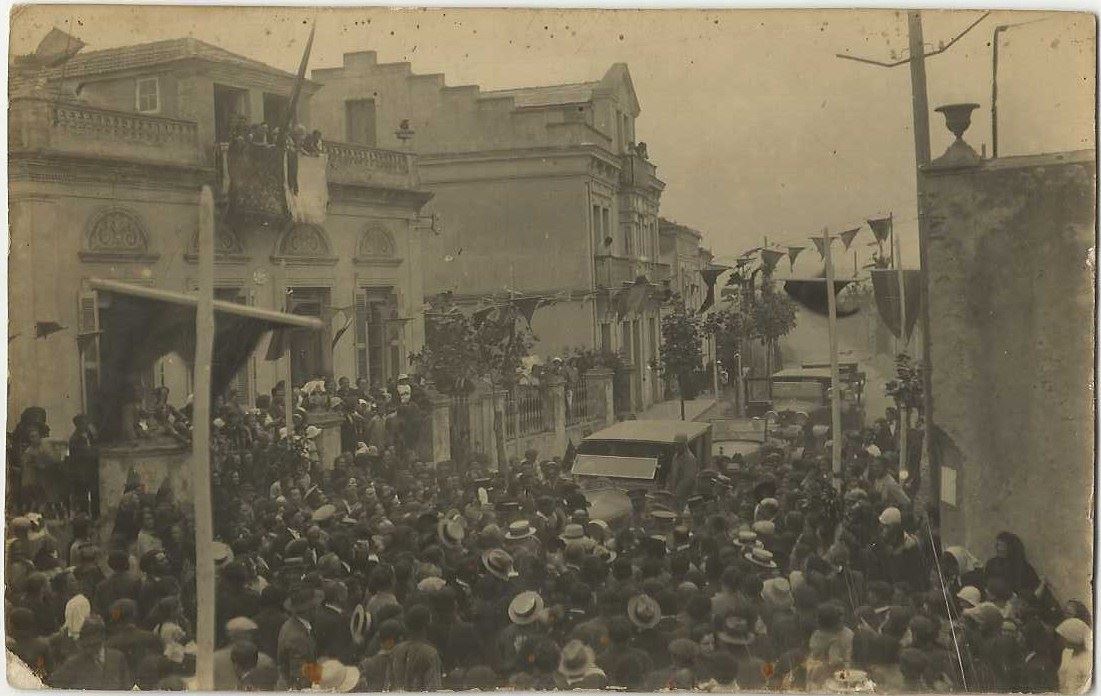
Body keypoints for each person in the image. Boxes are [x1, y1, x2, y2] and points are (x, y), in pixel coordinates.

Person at [50, 616, 132, 690]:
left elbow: (127, 688)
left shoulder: (118, 658)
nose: (90, 649)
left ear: (102, 640)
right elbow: (53, 684)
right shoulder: (74, 663)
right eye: (87, 645)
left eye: (94, 644)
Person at [1055, 617, 1092, 694]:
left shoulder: (1089, 659)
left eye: (1064, 637)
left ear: (1073, 637)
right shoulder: (1066, 653)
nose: (1061, 641)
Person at [666, 433, 699, 503]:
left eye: (679, 445)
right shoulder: (675, 456)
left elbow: (688, 479)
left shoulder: (690, 459)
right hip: (674, 493)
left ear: (684, 445)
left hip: (685, 496)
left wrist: (677, 494)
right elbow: (673, 474)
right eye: (676, 444)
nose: (676, 447)